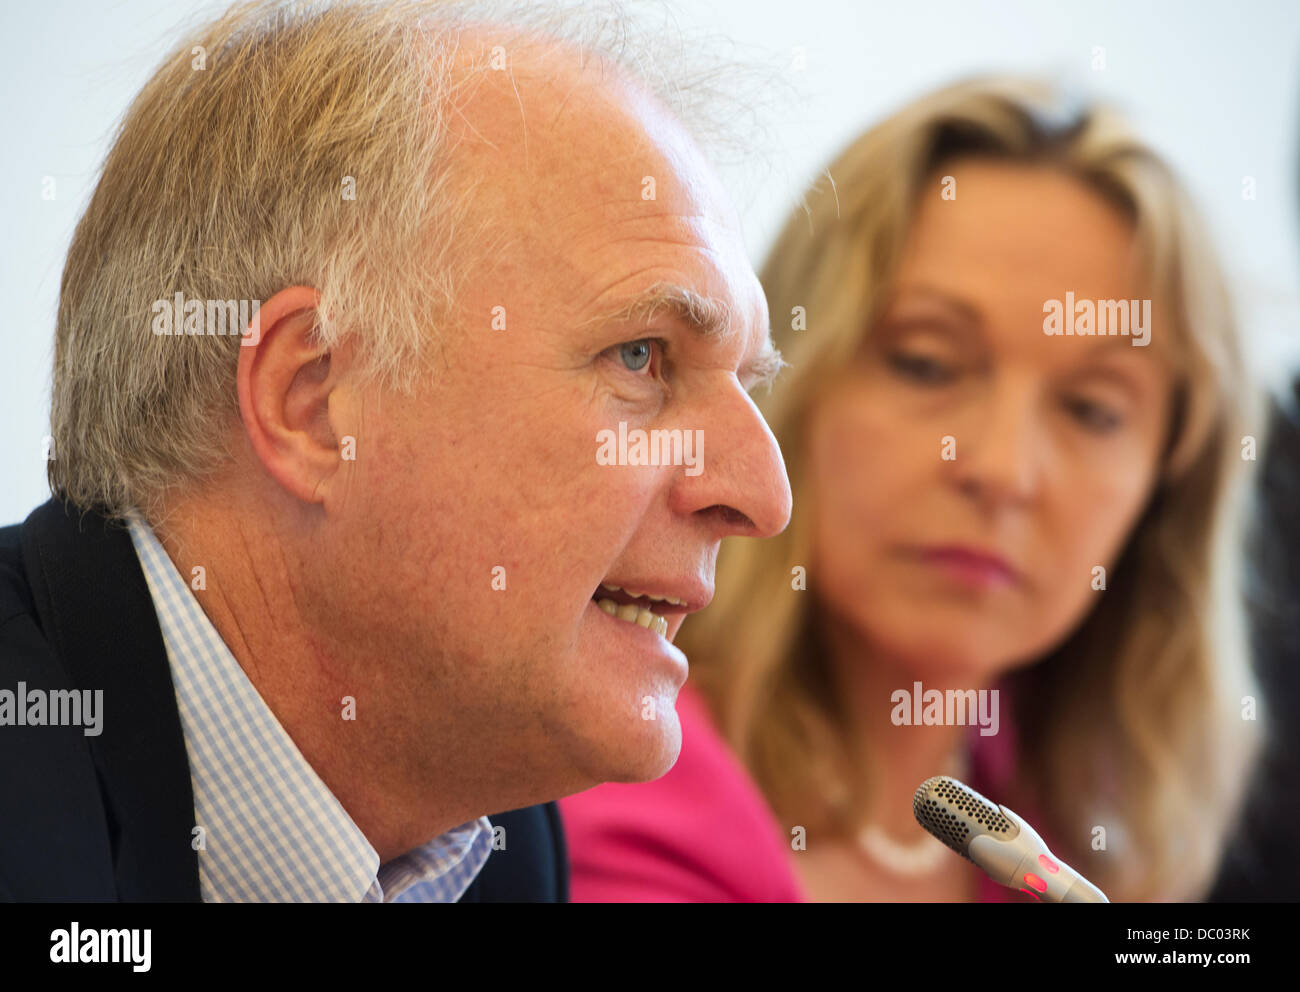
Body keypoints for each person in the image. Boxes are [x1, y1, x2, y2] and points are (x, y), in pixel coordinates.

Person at [0, 0, 791, 901]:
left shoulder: (498, 849)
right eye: (641, 359)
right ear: (314, 401)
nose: (764, 495)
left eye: (748, 384)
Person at [561, 77, 1264, 903]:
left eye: (1091, 409)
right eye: (927, 363)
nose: (1001, 470)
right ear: (784, 388)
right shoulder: (616, 791)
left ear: (1164, 494)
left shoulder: (1083, 824)